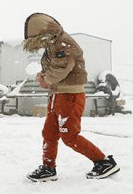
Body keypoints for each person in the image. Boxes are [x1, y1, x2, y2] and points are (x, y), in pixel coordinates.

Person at [22, 13, 119, 181]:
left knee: (69, 136)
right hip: (57, 95)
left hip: (70, 96)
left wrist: (45, 79)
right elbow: (53, 68)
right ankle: (48, 167)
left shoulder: (63, 44)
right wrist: (43, 75)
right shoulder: (53, 43)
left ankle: (103, 162)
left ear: (43, 33)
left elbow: (60, 70)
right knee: (49, 133)